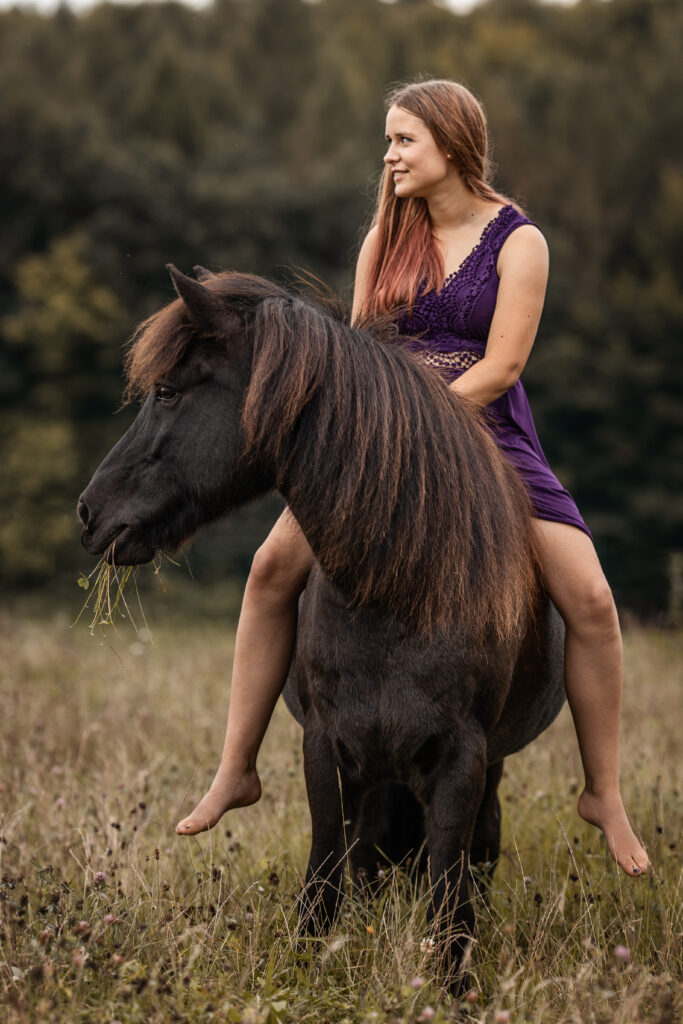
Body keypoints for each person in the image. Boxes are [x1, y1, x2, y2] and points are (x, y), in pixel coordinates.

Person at [175, 79, 649, 878]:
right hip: (378, 445)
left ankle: (602, 790)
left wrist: (421, 427)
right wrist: (367, 438)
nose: (388, 156)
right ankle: (237, 767)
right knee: (268, 570)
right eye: (387, 141)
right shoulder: (381, 239)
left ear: (452, 144)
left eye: (403, 141)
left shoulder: (517, 242)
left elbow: (501, 366)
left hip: (484, 438)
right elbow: (359, 359)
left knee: (592, 600)